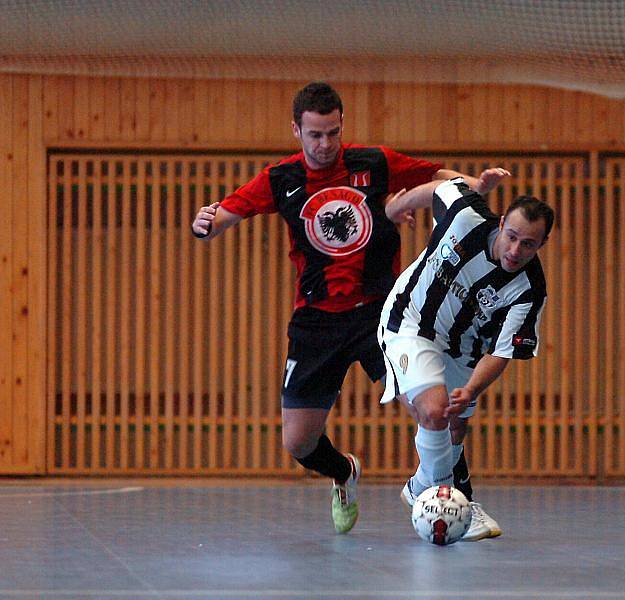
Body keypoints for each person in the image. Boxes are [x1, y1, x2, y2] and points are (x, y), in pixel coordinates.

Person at [191, 81, 474, 534]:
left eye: (332, 133)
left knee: (434, 409)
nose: (324, 144)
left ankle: (453, 496)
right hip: (316, 322)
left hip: (381, 316)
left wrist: (471, 187)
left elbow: (439, 175)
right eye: (315, 135)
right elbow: (222, 215)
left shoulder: (374, 162)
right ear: (297, 131)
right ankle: (344, 473)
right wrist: (205, 222)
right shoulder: (281, 179)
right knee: (299, 443)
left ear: (342, 127)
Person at [378, 169, 554, 541]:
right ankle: (448, 501)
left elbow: (503, 351)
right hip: (412, 322)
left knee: (455, 425)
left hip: (465, 349)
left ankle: (421, 486)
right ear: (501, 222)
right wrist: (397, 207)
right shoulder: (464, 215)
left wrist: (472, 389)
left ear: (541, 245)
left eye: (528, 245)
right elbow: (440, 186)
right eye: (512, 237)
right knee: (434, 410)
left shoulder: (529, 289)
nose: (514, 251)